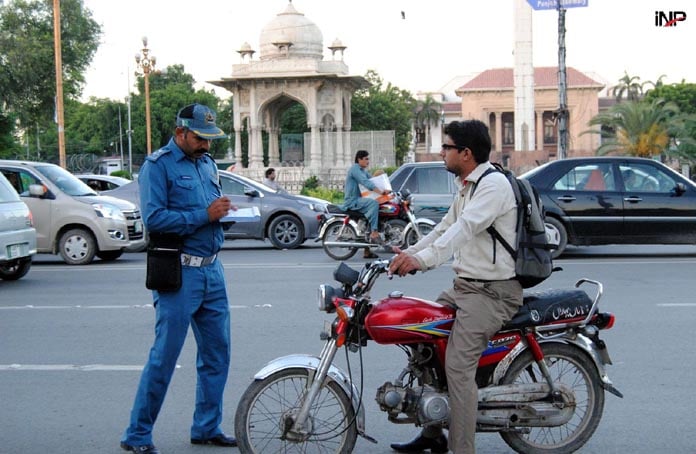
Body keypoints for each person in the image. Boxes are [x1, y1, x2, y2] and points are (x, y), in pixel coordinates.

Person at [389, 120, 523, 454]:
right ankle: (433, 434)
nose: (441, 152)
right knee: (424, 345)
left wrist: (425, 261)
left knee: (458, 367)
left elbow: (464, 229)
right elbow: (443, 229)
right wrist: (410, 253)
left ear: (465, 153)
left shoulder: (493, 186)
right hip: (465, 288)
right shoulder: (468, 186)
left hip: (493, 293)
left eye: (447, 147)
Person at [120, 104, 237, 454]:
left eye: (210, 140)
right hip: (180, 274)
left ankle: (206, 427)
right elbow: (154, 220)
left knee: (217, 355)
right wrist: (204, 214)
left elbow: (208, 209)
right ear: (181, 132)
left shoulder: (207, 163)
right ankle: (137, 435)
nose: (206, 145)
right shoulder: (157, 166)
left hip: (212, 270)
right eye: (200, 139)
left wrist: (219, 214)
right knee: (164, 357)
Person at [342, 149, 390, 259]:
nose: (368, 161)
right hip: (353, 200)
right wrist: (380, 191)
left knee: (372, 215)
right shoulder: (355, 169)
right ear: (359, 159)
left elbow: (372, 180)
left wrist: (385, 186)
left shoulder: (363, 170)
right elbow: (366, 183)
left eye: (368, 159)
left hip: (360, 200)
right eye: (366, 159)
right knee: (373, 204)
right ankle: (374, 232)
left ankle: (367, 251)